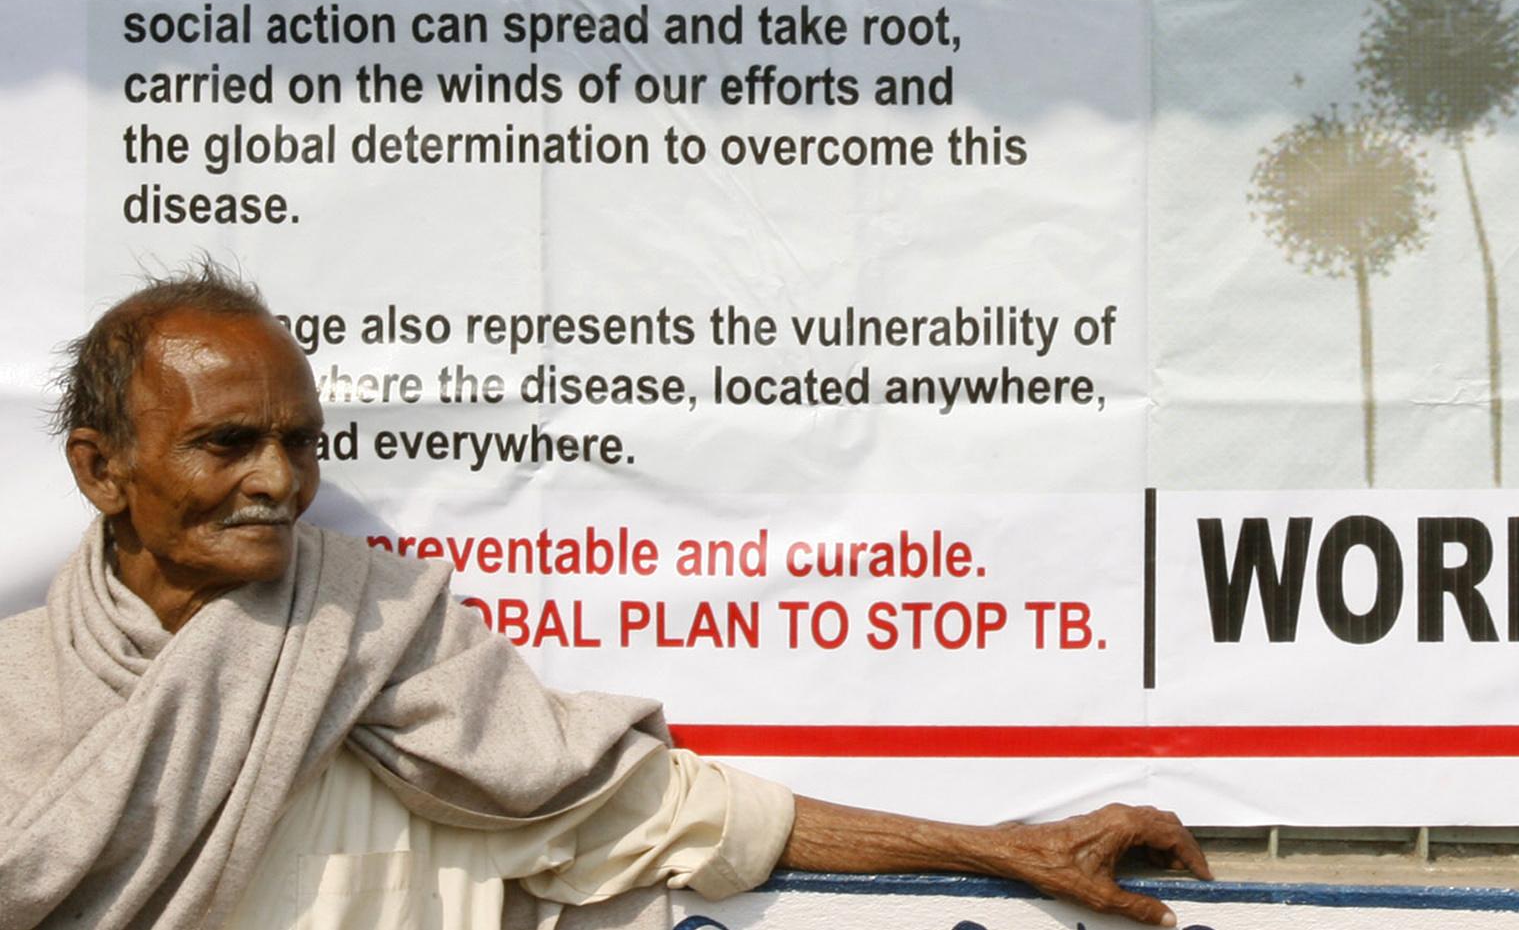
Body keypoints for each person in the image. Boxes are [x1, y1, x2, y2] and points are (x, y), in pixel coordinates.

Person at [0, 268, 1208, 930]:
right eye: (228, 443)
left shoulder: (373, 639)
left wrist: (1002, 847)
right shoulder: (16, 695)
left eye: (299, 441)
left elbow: (665, 810)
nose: (279, 480)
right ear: (102, 466)